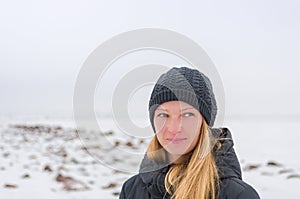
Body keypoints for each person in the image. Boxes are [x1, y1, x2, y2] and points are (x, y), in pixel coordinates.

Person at [120, 67, 260, 199]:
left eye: (187, 115)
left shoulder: (238, 195)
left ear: (204, 123)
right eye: (163, 115)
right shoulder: (132, 190)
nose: (174, 129)